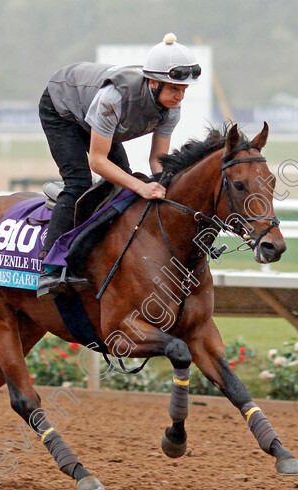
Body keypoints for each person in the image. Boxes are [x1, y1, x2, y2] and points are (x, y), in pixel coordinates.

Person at [36, 33, 202, 300]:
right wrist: (141, 186)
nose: (179, 97)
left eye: (183, 90)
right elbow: (98, 161)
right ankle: (51, 268)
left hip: (91, 114)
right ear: (153, 82)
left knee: (120, 185)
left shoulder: (171, 109)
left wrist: (165, 188)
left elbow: (157, 160)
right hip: (62, 108)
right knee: (79, 181)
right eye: (174, 89)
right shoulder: (114, 97)